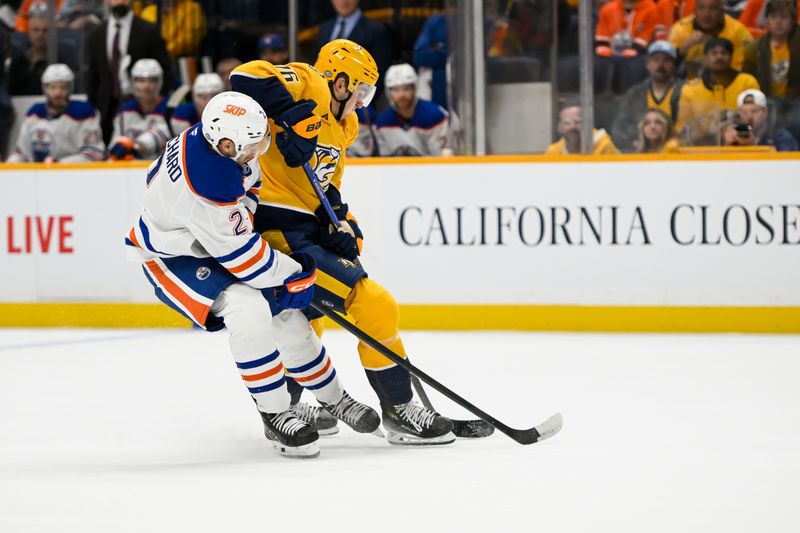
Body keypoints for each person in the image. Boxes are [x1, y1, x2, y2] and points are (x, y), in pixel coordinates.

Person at [125, 90, 380, 458]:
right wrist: (298, 271)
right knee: (249, 309)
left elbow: (250, 185)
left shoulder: (218, 140)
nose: (258, 152)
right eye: (252, 146)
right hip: (171, 257)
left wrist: (245, 216)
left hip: (206, 237)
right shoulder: (208, 183)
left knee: (287, 314)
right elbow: (245, 260)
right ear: (226, 144)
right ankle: (276, 414)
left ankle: (333, 399)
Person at [230, 40, 456, 445]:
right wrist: (290, 116)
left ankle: (288, 406)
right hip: (275, 227)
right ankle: (400, 410)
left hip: (307, 228)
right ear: (339, 81)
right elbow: (245, 76)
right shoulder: (309, 82)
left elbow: (327, 187)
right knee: (374, 304)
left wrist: (344, 225)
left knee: (304, 320)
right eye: (361, 92)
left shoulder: (344, 126)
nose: (362, 103)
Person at [86, 0, 173, 144]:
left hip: (143, 108)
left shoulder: (149, 31)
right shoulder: (96, 34)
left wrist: (156, 103)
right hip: (106, 109)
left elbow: (166, 71)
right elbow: (92, 76)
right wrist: (93, 107)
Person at [7, 64, 105, 162]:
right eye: (53, 88)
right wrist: (8, 167)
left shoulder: (83, 113)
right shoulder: (34, 113)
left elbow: (94, 153)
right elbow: (21, 151)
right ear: (45, 89)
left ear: (70, 89)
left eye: (63, 88)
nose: (58, 93)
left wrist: (59, 164)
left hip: (71, 175)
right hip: (37, 175)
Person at [678, 37, 760, 145]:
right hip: (703, 147)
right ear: (706, 58)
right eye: (714, 53)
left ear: (731, 58)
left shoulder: (747, 82)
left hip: (742, 143)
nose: (719, 57)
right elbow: (685, 126)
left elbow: (758, 119)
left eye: (724, 53)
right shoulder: (690, 89)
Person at [611, 40, 686, 151]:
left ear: (674, 66)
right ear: (648, 65)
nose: (661, 65)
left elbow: (692, 128)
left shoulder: (686, 91)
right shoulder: (634, 94)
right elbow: (619, 130)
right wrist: (636, 143)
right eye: (656, 60)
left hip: (677, 155)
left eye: (666, 60)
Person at [374, 63, 450, 157]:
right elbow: (385, 160)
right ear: (388, 93)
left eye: (406, 89)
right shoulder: (383, 122)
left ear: (415, 89)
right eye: (396, 90)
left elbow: (441, 159)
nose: (401, 95)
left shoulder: (434, 116)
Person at [316, 0, 392, 89]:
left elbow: (380, 72)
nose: (343, 2)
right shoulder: (324, 29)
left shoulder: (376, 30)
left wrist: (358, 99)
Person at [668, 0, 753, 79]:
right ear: (694, 10)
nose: (706, 14)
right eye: (701, 8)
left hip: (725, 85)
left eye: (713, 8)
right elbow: (664, 65)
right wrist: (684, 48)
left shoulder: (738, 32)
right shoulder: (680, 29)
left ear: (722, 11)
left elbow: (743, 72)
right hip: (686, 86)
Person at [107, 58, 170, 160]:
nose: (146, 86)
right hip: (131, 170)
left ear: (160, 81)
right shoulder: (124, 111)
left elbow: (165, 134)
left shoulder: (171, 108)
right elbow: (115, 144)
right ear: (133, 82)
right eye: (141, 80)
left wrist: (136, 147)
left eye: (152, 80)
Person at [742, 0, 800, 100]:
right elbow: (748, 79)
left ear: (792, 21)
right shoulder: (755, 49)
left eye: (784, 17)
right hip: (765, 100)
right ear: (767, 21)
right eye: (773, 17)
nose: (778, 22)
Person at [8, 2, 49, 95]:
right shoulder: (18, 61)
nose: (40, 34)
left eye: (45, 30)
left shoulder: (56, 60)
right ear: (29, 32)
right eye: (36, 30)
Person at [545, 105, 620, 155]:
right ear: (559, 127)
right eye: (567, 123)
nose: (573, 127)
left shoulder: (604, 146)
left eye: (578, 122)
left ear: (588, 125)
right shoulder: (553, 152)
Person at [413, 11, 448, 109]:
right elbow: (420, 55)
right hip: (438, 101)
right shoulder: (437, 21)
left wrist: (440, 49)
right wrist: (448, 52)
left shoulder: (481, 22)